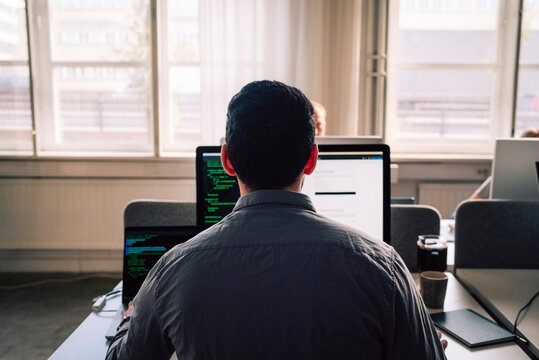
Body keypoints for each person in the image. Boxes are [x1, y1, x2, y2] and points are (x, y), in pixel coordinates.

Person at [106, 80, 447, 359]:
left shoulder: (173, 272)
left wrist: (131, 318)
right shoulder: (382, 268)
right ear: (312, 159)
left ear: (226, 160)